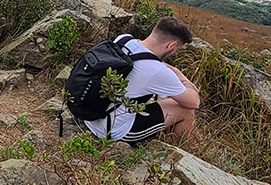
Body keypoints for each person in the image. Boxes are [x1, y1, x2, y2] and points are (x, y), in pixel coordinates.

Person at [84, 17, 201, 145]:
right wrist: (181, 76)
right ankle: (179, 149)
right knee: (185, 110)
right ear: (171, 45)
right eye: (176, 50)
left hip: (89, 115)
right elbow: (193, 102)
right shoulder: (157, 70)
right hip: (113, 130)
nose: (173, 53)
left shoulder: (124, 39)